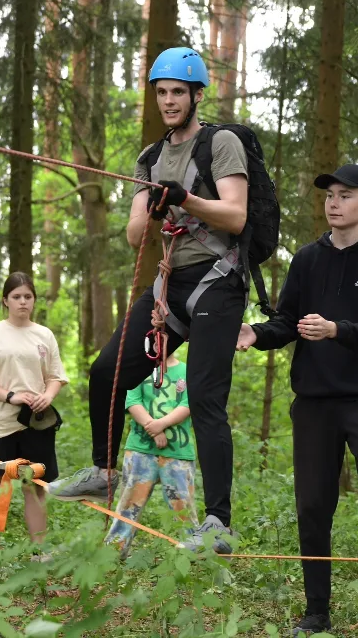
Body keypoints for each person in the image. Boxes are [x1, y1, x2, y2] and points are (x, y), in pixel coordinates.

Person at [49, 47, 249, 553]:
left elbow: (236, 216)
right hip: (169, 284)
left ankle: (218, 522)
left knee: (204, 396)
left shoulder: (220, 143)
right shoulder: (150, 157)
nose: (168, 101)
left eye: (177, 92)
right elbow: (136, 236)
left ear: (197, 95)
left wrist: (186, 198)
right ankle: (104, 468)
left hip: (218, 281)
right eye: (161, 93)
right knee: (107, 371)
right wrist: (155, 203)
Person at [237, 164, 358, 638]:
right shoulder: (307, 259)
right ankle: (317, 612)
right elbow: (287, 321)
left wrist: (334, 329)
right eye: (329, 195)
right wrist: (256, 333)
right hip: (314, 403)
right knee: (312, 505)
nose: (334, 202)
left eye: (346, 195)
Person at [0, 272, 68, 553]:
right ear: (5, 301)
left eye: (28, 296)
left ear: (34, 300)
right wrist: (10, 396)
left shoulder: (44, 335)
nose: (23, 302)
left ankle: (39, 550)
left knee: (35, 485)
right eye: (16, 297)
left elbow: (55, 376)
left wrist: (47, 396)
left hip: (37, 423)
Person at [104, 353, 198, 556]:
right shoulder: (138, 368)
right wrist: (153, 429)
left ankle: (194, 554)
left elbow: (188, 404)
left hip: (178, 452)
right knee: (128, 503)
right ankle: (113, 553)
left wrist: (161, 425)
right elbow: (132, 401)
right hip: (140, 451)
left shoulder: (187, 370)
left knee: (183, 505)